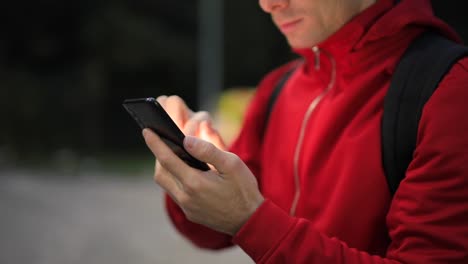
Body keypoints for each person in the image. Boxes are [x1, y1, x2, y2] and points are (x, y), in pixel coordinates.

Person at [142, 0, 468, 262]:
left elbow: (246, 223)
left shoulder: (451, 91)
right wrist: (188, 178)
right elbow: (212, 233)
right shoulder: (277, 89)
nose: (267, 4)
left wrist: (251, 221)